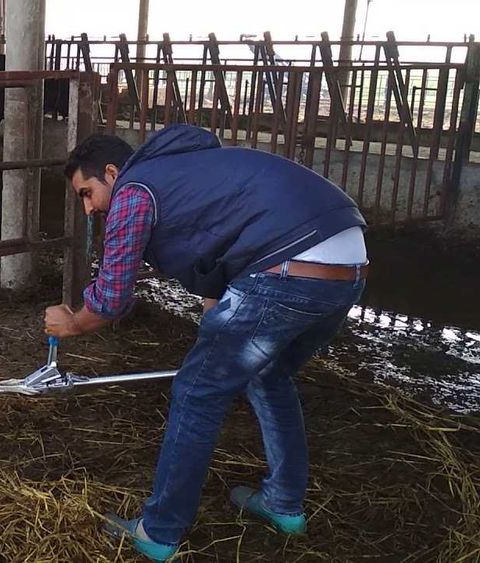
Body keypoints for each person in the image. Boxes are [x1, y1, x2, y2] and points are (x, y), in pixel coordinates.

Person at [44, 124, 368, 561]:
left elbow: (114, 294)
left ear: (111, 172)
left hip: (287, 269)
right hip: (347, 269)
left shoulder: (136, 189)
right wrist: (217, 321)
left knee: (197, 393)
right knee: (269, 376)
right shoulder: (186, 172)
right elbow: (221, 251)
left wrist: (74, 323)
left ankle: (157, 532)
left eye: (86, 193)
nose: (88, 210)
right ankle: (283, 503)